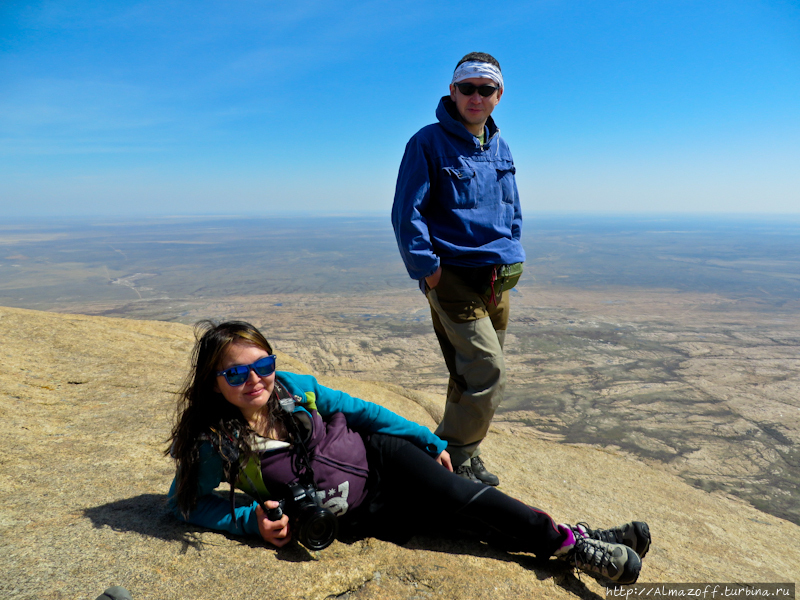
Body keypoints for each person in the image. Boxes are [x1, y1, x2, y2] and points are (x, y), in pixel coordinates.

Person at [166, 320, 651, 584]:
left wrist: (426, 438)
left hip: (382, 457)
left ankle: (572, 547)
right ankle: (579, 537)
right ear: (214, 384)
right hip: (361, 517)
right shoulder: (218, 445)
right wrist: (251, 520)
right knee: (464, 529)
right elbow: (182, 503)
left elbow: (362, 412)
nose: (255, 380)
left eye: (263, 364)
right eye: (235, 374)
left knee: (463, 497)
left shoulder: (294, 388)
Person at [391, 52, 524, 486]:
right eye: (467, 87)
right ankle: (450, 461)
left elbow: (511, 206)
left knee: (469, 371)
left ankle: (460, 454)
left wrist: (513, 246)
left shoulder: (500, 145)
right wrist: (428, 270)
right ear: (452, 91)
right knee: (488, 369)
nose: (475, 97)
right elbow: (405, 213)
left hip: (496, 277)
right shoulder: (427, 142)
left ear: (498, 96)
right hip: (452, 276)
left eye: (486, 89)